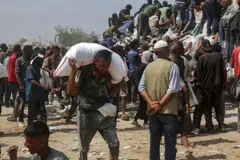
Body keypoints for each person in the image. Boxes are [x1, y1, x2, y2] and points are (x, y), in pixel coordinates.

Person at [66, 45, 127, 160]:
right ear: (95, 61)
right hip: (86, 114)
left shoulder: (107, 73)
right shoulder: (83, 71)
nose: (104, 69)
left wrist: (120, 82)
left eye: (107, 66)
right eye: (102, 65)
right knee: (83, 149)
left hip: (103, 112)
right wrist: (73, 71)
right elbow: (70, 91)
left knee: (114, 144)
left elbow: (110, 93)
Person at [139, 40, 181, 160]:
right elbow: (173, 89)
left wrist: (151, 103)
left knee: (154, 142)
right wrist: (160, 104)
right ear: (167, 51)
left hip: (152, 111)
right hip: (168, 112)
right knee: (170, 144)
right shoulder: (172, 66)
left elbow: (141, 88)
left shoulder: (148, 67)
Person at [196, 40, 225, 132]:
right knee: (217, 106)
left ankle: (210, 126)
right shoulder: (219, 56)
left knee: (207, 107)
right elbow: (223, 70)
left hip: (206, 86)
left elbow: (199, 74)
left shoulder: (202, 58)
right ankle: (221, 124)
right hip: (218, 85)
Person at [170, 41, 194, 149]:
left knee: (182, 116)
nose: (183, 50)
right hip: (175, 91)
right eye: (181, 49)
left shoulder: (180, 59)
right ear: (175, 51)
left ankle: (184, 141)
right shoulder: (171, 61)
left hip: (180, 91)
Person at [26, 54, 54, 125]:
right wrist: (43, 86)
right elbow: (32, 80)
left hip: (41, 93)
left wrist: (49, 88)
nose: (41, 62)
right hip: (33, 93)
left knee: (42, 110)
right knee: (32, 111)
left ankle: (43, 126)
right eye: (40, 60)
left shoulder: (41, 70)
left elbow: (45, 80)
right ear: (35, 61)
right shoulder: (30, 69)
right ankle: (30, 126)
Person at [132, 42, 152, 128]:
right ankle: (143, 121)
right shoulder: (144, 66)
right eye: (150, 57)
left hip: (143, 89)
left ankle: (140, 120)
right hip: (144, 89)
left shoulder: (143, 65)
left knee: (144, 105)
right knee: (145, 105)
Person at [15, 45, 33, 127]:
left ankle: (31, 120)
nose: (31, 52)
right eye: (30, 51)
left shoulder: (32, 60)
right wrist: (20, 84)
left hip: (32, 85)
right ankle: (21, 120)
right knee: (23, 102)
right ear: (25, 51)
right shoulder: (19, 60)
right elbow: (17, 74)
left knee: (31, 103)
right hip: (23, 85)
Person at [7, 44, 22, 122]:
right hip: (15, 80)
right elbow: (15, 71)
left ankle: (17, 114)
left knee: (16, 97)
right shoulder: (16, 58)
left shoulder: (11, 57)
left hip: (11, 79)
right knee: (17, 98)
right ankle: (15, 115)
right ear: (18, 49)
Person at [128, 40, 141, 104]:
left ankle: (133, 100)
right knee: (139, 85)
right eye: (137, 44)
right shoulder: (135, 53)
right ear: (134, 45)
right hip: (136, 71)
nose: (138, 45)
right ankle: (141, 99)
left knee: (133, 86)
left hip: (130, 71)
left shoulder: (129, 53)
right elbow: (139, 62)